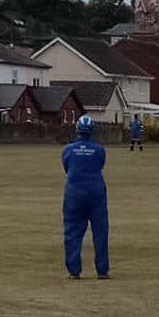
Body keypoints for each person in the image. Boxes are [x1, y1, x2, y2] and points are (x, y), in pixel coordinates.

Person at [62, 115, 110, 280]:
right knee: (101, 232)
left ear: (77, 130)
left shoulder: (68, 149)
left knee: (72, 232)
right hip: (96, 192)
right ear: (92, 131)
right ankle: (102, 271)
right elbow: (100, 165)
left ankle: (74, 271)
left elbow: (67, 168)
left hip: (74, 193)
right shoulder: (99, 149)